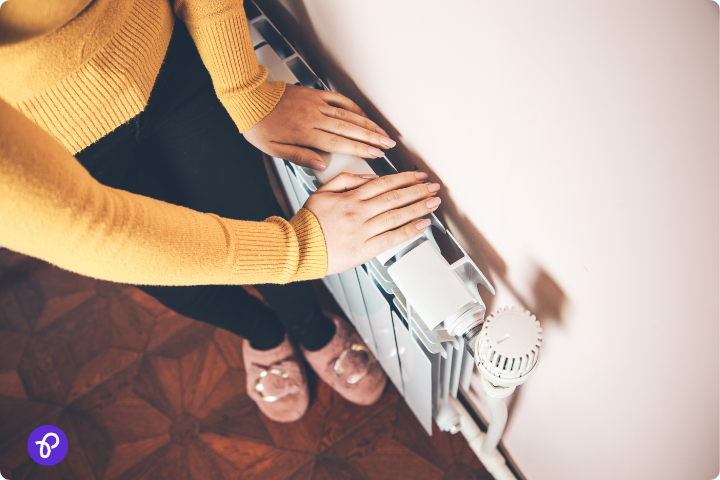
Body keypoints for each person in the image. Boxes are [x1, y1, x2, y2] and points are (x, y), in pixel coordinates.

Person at [0, 0, 442, 422]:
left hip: (165, 58)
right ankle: (263, 335)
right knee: (181, 288)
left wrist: (245, 90)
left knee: (251, 214)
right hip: (51, 152)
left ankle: (312, 328)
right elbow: (79, 227)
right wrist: (299, 251)